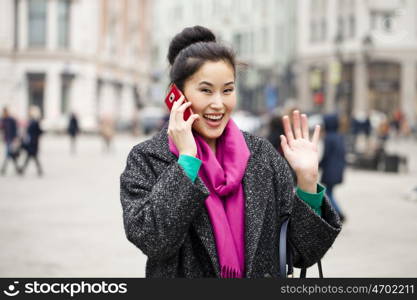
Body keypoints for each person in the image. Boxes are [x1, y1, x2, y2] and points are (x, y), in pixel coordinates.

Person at [120, 26, 341, 278]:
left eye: (227, 90)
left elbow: (303, 253)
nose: (218, 103)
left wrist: (308, 182)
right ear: (176, 95)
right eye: (205, 90)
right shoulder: (148, 158)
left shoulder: (262, 156)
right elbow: (153, 240)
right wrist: (186, 163)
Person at [319, 114, 346, 222]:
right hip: (338, 169)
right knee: (330, 192)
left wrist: (319, 165)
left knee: (328, 193)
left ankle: (339, 213)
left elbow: (326, 155)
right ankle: (337, 212)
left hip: (330, 170)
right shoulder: (340, 136)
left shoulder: (328, 138)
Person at [20, 106, 43, 176]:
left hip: (33, 143)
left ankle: (23, 169)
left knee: (31, 157)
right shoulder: (32, 122)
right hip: (32, 142)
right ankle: (39, 170)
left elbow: (38, 132)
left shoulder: (33, 122)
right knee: (32, 157)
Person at [0, 107, 21, 175]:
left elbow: (15, 129)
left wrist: (16, 138)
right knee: (10, 154)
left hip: (11, 139)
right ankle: (17, 169)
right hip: (7, 139)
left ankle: (3, 169)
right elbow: (2, 128)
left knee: (8, 154)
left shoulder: (11, 119)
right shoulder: (3, 119)